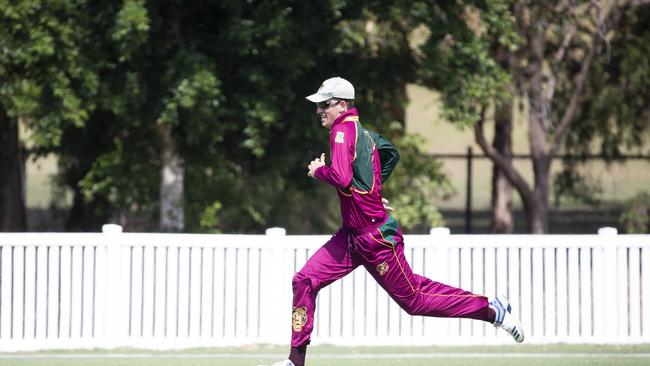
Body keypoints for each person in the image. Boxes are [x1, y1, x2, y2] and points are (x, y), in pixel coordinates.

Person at [261, 77, 524, 366]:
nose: (319, 110)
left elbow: (340, 177)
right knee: (304, 280)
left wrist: (318, 170)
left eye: (325, 104)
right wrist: (371, 191)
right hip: (351, 237)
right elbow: (390, 153)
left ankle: (490, 310)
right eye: (319, 104)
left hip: (376, 239)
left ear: (343, 105)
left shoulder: (341, 131)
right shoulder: (364, 133)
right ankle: (295, 361)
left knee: (415, 300)